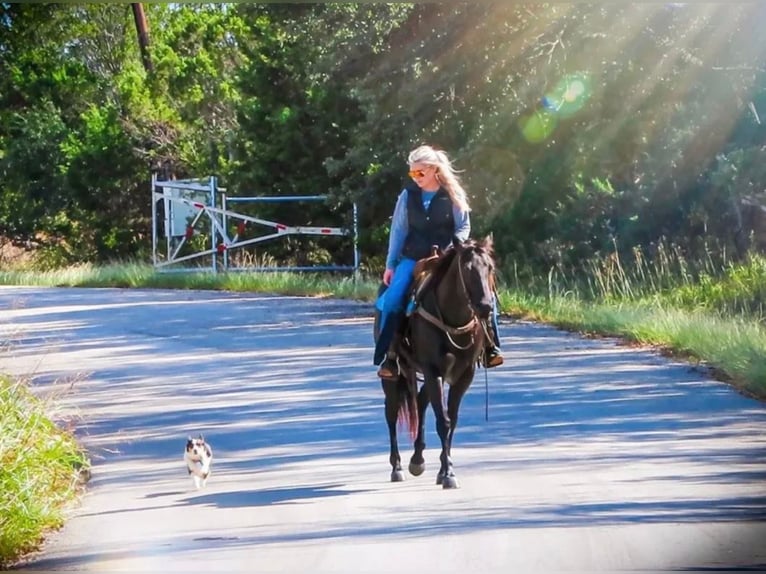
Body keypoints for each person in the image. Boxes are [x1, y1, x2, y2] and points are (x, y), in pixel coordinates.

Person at [374, 144, 503, 380]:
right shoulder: (407, 196)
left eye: (420, 172)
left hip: (448, 257)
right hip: (413, 257)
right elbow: (398, 232)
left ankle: (490, 347)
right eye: (412, 173)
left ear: (434, 170)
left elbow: (463, 225)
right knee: (392, 298)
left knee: (487, 295)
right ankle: (390, 356)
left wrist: (457, 246)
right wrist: (391, 264)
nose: (416, 178)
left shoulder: (452, 194)